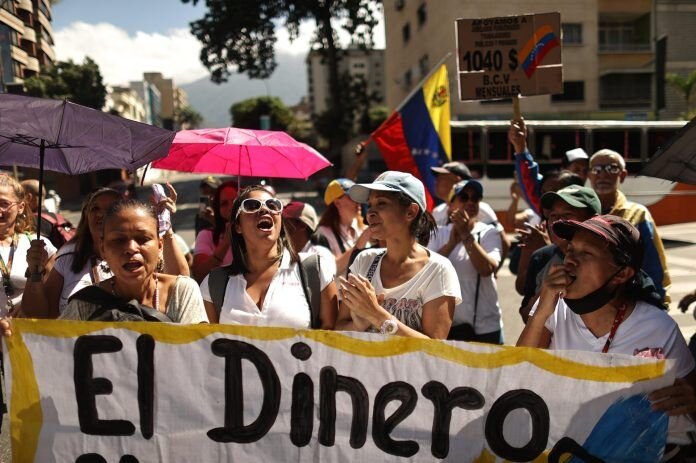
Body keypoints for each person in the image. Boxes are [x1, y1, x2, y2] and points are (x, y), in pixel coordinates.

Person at [516, 215, 695, 455]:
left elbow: (690, 403)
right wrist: (540, 312)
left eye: (586, 253)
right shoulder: (553, 308)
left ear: (621, 274)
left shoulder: (660, 328)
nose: (570, 260)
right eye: (571, 249)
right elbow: (518, 376)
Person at [22, 185, 189, 318]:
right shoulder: (67, 259)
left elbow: (181, 279)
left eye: (111, 208)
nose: (102, 214)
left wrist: (165, 229)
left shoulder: (146, 252)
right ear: (86, 216)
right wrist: (35, 273)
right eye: (95, 209)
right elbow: (43, 318)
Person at [336, 171, 461, 339]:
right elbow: (339, 329)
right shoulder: (364, 261)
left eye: (381, 203)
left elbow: (435, 349)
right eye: (370, 204)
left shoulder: (438, 270)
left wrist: (376, 315)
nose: (370, 212)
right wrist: (359, 324)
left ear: (411, 212)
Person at [200, 186, 338, 328]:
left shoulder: (315, 271)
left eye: (273, 205)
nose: (265, 210)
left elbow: (332, 339)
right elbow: (204, 345)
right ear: (237, 227)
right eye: (251, 206)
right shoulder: (213, 285)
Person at [60, 199, 207, 323]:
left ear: (160, 245)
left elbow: (195, 353)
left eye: (143, 239)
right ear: (103, 249)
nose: (131, 248)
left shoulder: (181, 292)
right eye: (119, 240)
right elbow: (55, 348)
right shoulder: (84, 305)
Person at [588, 148, 671, 306]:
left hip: (631, 302)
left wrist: (658, 302)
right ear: (589, 175)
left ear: (623, 175)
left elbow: (654, 266)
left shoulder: (638, 214)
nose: (603, 175)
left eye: (612, 168)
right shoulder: (582, 213)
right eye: (596, 169)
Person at [428, 179, 503, 343]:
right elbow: (427, 271)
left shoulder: (489, 233)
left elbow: (487, 269)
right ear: (451, 204)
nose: (470, 202)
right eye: (463, 197)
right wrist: (451, 244)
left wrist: (466, 236)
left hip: (485, 326)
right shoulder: (438, 234)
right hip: (448, 326)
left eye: (475, 198)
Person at [517, 185, 601, 322]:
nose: (556, 223)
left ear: (594, 220)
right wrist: (546, 292)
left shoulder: (611, 262)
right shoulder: (541, 258)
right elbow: (526, 316)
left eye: (567, 215)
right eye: (553, 216)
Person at [0, 174, 57, 318]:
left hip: (29, 334)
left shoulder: (38, 246)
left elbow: (53, 300)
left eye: (3, 203)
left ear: (20, 207)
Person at [509, 118, 590, 216]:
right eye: (577, 169)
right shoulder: (546, 208)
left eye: (586, 170)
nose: (581, 174)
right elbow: (528, 180)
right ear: (564, 170)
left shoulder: (591, 204)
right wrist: (520, 147)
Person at [317, 178, 371, 275]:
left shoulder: (363, 227)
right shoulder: (322, 234)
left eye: (358, 197)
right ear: (337, 203)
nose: (358, 202)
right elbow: (331, 271)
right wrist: (359, 244)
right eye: (352, 197)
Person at [192, 180, 238, 282]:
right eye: (224, 203)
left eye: (235, 201)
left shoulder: (254, 233)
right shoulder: (206, 235)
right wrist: (226, 242)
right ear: (217, 207)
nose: (231, 207)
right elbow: (199, 275)